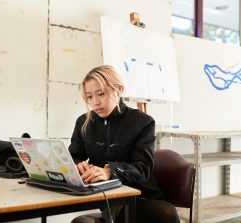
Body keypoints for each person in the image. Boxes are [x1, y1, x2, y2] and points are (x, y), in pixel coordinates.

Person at [69, 65, 180, 223]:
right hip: (109, 199)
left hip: (142, 197)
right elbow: (74, 156)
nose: (95, 102)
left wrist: (109, 171)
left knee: (167, 213)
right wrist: (78, 165)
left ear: (118, 90)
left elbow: (142, 169)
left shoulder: (143, 122)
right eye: (89, 97)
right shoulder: (84, 122)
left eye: (101, 94)